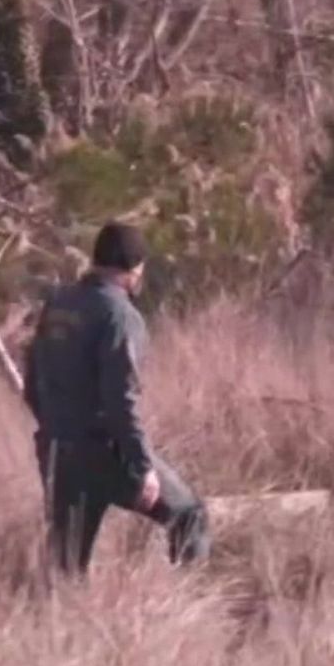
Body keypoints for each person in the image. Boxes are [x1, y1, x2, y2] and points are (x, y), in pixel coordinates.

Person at [22, 221, 210, 575]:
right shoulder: (120, 315)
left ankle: (61, 628)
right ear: (134, 268)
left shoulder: (58, 303)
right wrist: (142, 468)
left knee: (66, 571)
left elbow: (32, 384)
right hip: (105, 453)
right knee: (188, 516)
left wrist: (55, 430)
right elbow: (120, 401)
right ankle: (188, 610)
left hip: (58, 451)